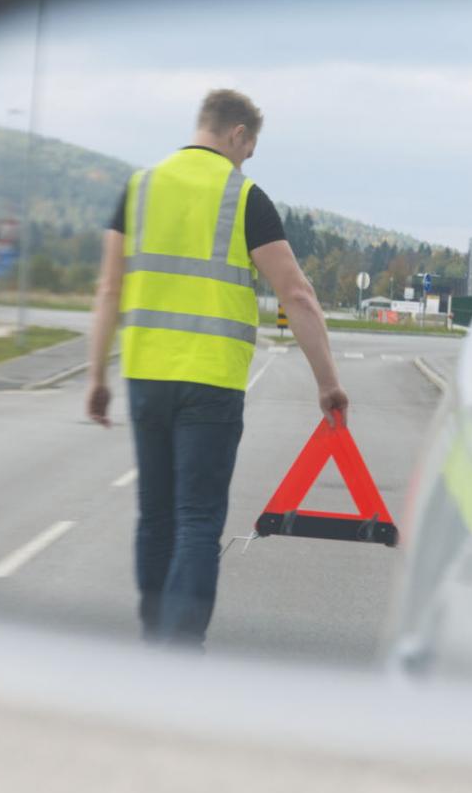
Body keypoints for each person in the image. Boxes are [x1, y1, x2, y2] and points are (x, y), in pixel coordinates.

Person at [83, 88, 348, 649]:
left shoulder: (138, 189)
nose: (246, 159)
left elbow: (109, 288)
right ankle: (178, 652)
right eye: (248, 149)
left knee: (154, 517)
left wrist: (96, 378)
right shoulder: (244, 196)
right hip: (212, 386)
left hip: (147, 379)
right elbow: (297, 295)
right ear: (238, 136)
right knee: (198, 521)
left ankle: (155, 638)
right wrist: (327, 383)